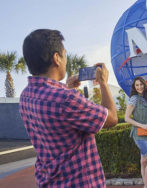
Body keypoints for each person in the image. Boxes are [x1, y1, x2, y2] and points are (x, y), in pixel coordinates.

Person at [19, 29, 118, 187]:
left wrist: (67, 88)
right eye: (65, 55)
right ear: (56, 58)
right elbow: (111, 118)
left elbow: (56, 113)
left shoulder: (26, 96)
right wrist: (104, 84)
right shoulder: (66, 99)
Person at [125, 77, 147, 188]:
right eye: (137, 85)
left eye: (141, 84)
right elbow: (126, 118)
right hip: (139, 134)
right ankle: (146, 186)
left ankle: (145, 184)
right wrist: (142, 125)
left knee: (144, 161)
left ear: (145, 85)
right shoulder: (134, 98)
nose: (139, 87)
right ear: (134, 87)